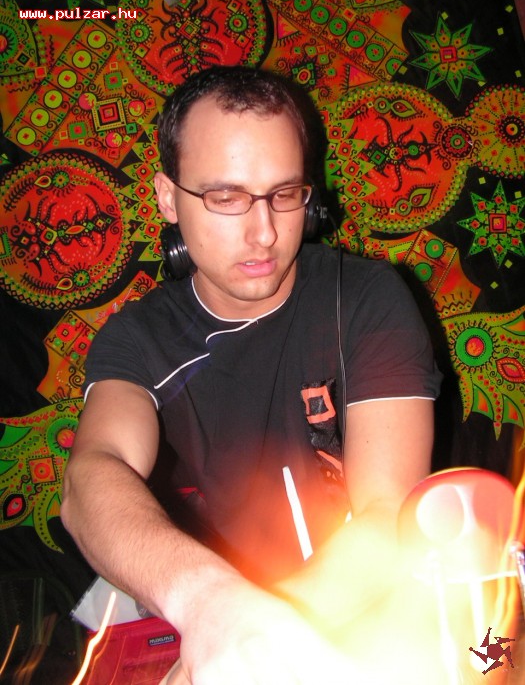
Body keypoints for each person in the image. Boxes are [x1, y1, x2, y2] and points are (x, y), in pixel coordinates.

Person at [61, 65, 442, 684]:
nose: (264, 232)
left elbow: (387, 513)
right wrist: (209, 606)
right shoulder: (137, 338)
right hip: (208, 614)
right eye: (225, 198)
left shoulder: (368, 298)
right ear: (167, 198)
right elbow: (92, 476)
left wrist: (256, 639)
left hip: (363, 623)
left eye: (284, 194)